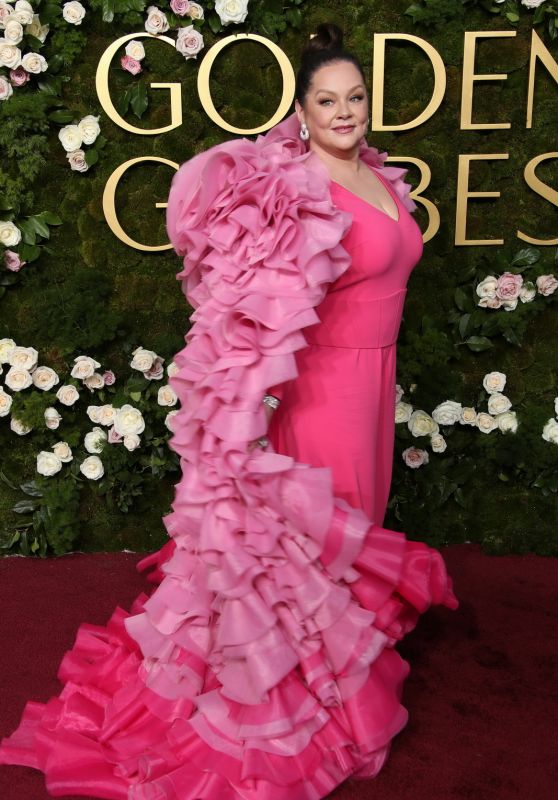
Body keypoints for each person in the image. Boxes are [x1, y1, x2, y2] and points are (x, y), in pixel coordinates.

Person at [0, 22, 458, 800]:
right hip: (323, 395)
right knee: (315, 553)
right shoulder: (298, 192)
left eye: (354, 98)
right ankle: (307, 706)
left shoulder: (383, 175)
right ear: (303, 112)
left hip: (375, 387)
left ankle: (336, 679)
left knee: (352, 536)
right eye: (327, 101)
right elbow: (250, 314)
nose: (344, 112)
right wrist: (240, 420)